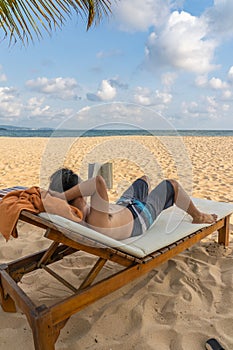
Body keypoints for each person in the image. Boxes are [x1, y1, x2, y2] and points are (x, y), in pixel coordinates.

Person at [48, 168, 217, 240]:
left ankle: (158, 199)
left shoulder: (76, 213)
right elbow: (98, 182)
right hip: (140, 216)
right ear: (76, 196)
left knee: (144, 180)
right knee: (172, 185)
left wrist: (58, 196)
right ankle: (198, 216)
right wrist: (62, 195)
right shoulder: (93, 219)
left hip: (125, 204)